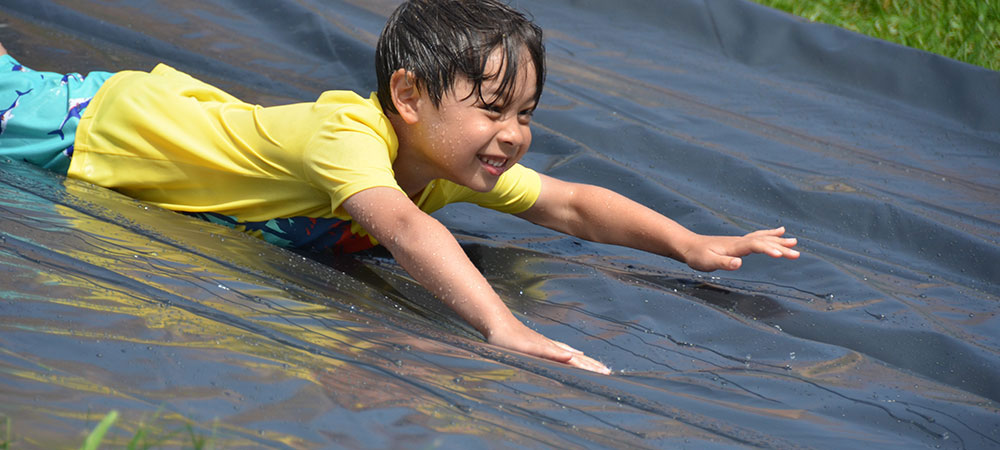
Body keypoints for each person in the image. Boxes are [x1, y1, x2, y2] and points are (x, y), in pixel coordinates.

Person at [0, 0, 798, 374]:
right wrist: (502, 328)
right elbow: (407, 234)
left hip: (179, 142)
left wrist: (691, 243)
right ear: (410, 98)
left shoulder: (446, 169)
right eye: (492, 109)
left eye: (526, 113)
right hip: (91, 126)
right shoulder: (350, 137)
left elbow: (572, 203)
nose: (513, 134)